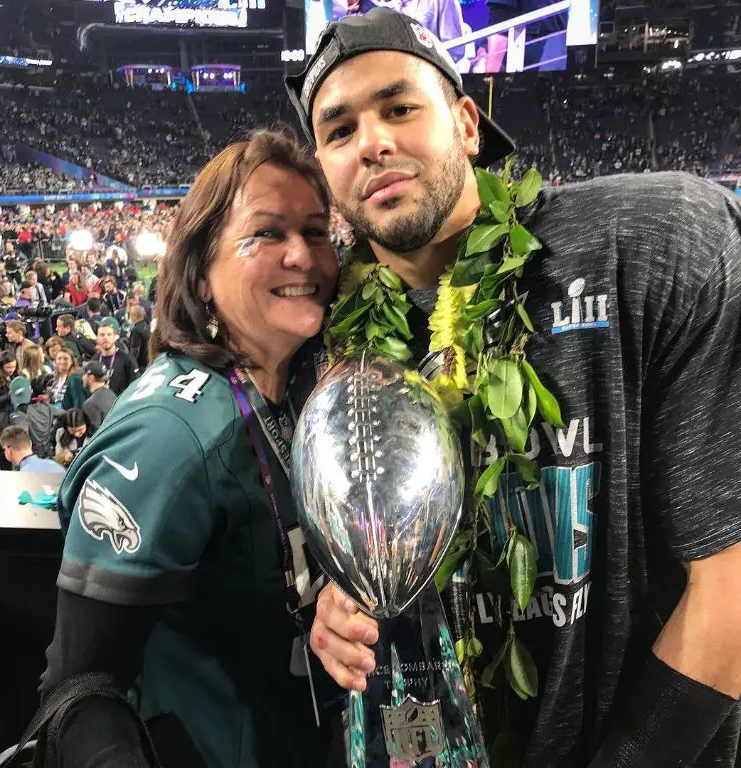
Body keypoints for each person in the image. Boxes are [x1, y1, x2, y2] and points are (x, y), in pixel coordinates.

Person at [286, 10, 741, 767]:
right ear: (325, 170)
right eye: (339, 132)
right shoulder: (329, 340)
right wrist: (336, 614)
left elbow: (730, 586)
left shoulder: (656, 242)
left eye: (400, 107)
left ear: (467, 123)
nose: (372, 142)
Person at [40, 130, 339, 768]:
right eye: (266, 233)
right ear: (202, 275)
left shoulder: (301, 389)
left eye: (316, 231)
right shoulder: (169, 435)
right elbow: (78, 689)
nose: (302, 256)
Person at [9, 375, 55, 459]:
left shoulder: (19, 414)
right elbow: (64, 413)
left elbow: (22, 433)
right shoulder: (47, 407)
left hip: (31, 455)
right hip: (48, 453)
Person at [94, 317, 139, 395]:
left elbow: (136, 388)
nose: (105, 337)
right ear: (97, 337)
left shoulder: (127, 360)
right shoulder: (95, 360)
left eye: (109, 334)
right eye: (102, 335)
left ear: (116, 336)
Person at [0, 425, 65, 474]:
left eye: (4, 450)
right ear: (30, 443)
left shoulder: (22, 477)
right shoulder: (56, 466)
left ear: (8, 450)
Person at [80, 360, 117, 429]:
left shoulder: (90, 404)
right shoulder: (112, 394)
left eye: (84, 374)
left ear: (91, 378)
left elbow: (95, 434)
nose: (82, 377)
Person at [127, 304, 150, 371]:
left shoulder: (136, 330)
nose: (130, 316)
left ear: (135, 316)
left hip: (140, 366)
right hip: (147, 363)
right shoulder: (147, 327)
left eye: (130, 314)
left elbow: (135, 351)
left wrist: (131, 366)